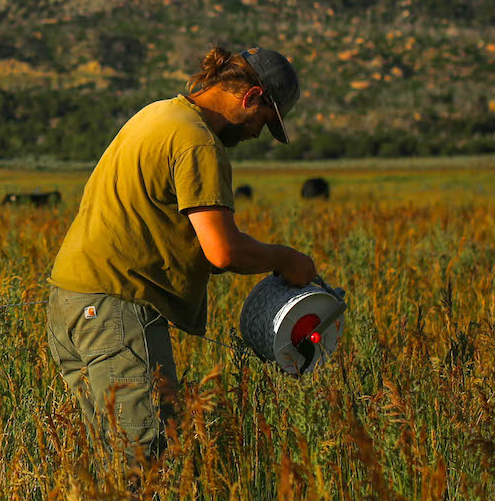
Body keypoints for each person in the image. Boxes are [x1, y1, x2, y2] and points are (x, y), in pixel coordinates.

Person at [46, 45, 319, 456]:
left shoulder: (157, 113)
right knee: (145, 456)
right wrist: (287, 260)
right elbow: (222, 252)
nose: (256, 133)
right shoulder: (199, 142)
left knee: (112, 458)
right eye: (264, 120)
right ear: (252, 98)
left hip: (72, 302)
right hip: (117, 308)